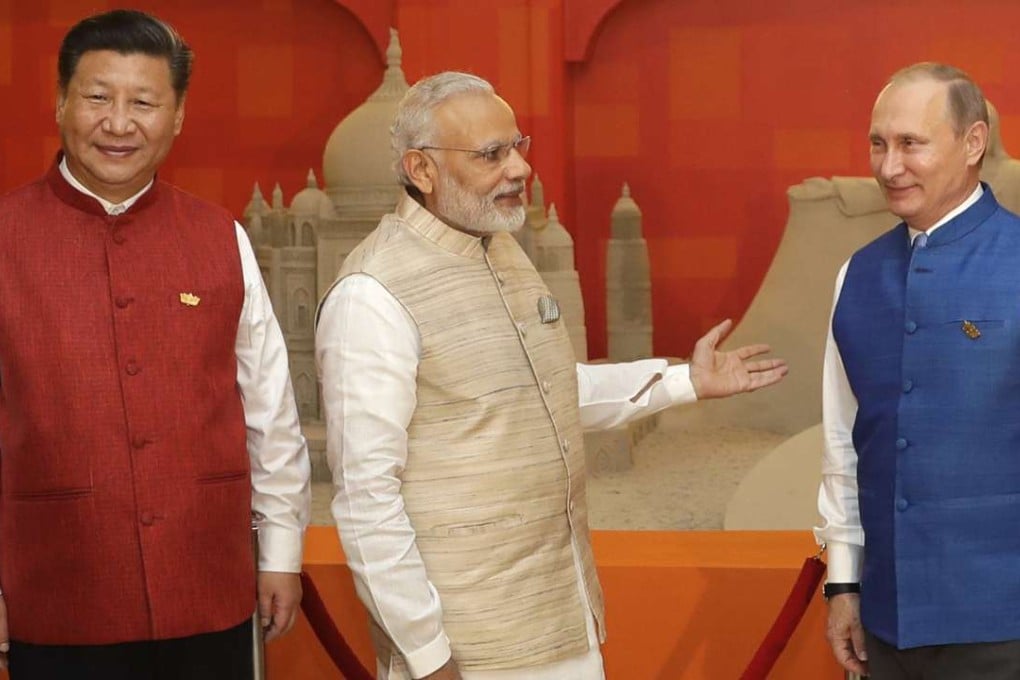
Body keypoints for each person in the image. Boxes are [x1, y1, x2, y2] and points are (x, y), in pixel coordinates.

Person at [315, 70, 788, 680]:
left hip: (566, 621)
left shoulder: (503, 251)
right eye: (491, 154)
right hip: (470, 650)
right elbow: (366, 498)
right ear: (422, 171)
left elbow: (550, 392)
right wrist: (428, 655)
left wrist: (682, 381)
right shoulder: (373, 293)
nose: (519, 170)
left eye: (518, 146)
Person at [0, 9, 311, 679]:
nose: (118, 123)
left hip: (208, 587)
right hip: (56, 593)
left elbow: (268, 408)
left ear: (177, 116)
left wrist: (281, 550)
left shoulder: (219, 235)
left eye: (143, 102)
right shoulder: (6, 234)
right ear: (59, 103)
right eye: (97, 98)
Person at [815, 62, 1020, 679]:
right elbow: (843, 442)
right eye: (878, 143)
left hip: (1004, 623)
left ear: (973, 143)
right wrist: (843, 583)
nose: (887, 166)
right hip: (886, 622)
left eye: (911, 144)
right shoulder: (855, 275)